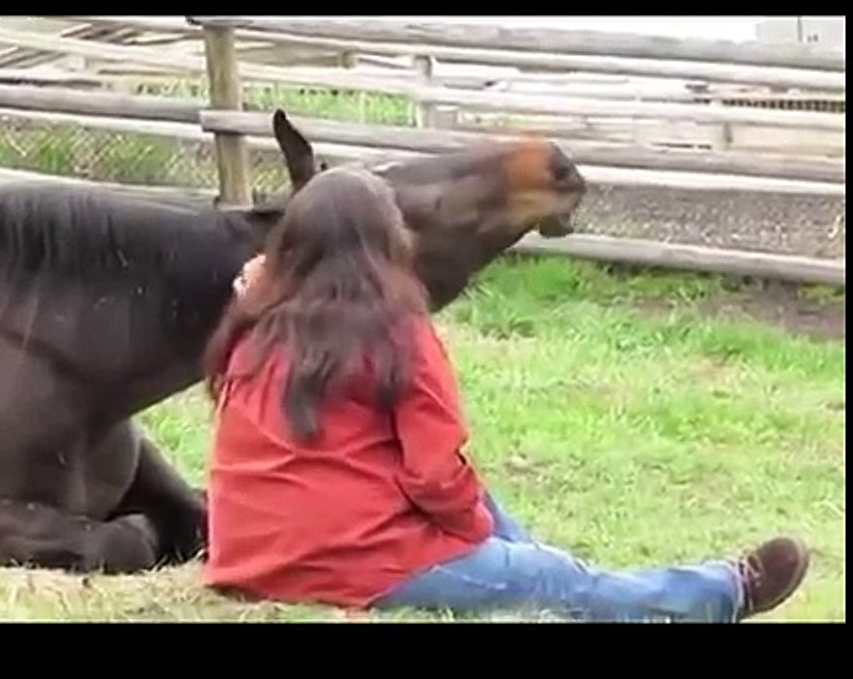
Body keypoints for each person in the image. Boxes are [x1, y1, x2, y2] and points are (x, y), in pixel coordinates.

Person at [201, 166, 810, 623]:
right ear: (388, 244)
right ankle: (720, 594)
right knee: (551, 576)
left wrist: (479, 525)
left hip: (250, 555)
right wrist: (472, 537)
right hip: (347, 560)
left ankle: (522, 561)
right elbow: (436, 476)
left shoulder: (255, 322)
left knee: (492, 518)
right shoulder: (396, 333)